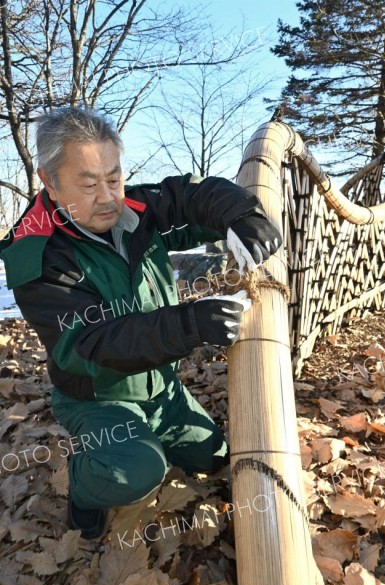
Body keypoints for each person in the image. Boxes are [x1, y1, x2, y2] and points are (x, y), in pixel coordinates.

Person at [0, 107, 281, 539]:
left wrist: (241, 215)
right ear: (50, 182)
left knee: (217, 459)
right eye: (89, 183)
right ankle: (84, 484)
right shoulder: (35, 253)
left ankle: (155, 432)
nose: (109, 196)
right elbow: (92, 344)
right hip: (97, 398)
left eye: (113, 177)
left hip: (162, 387)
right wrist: (190, 325)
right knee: (136, 471)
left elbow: (191, 197)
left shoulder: (133, 207)